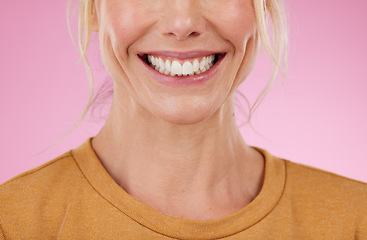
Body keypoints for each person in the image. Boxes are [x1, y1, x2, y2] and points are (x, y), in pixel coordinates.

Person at [0, 0, 366, 239]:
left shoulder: (354, 222)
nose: (182, 22)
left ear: (262, 8)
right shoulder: (14, 223)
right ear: (94, 8)